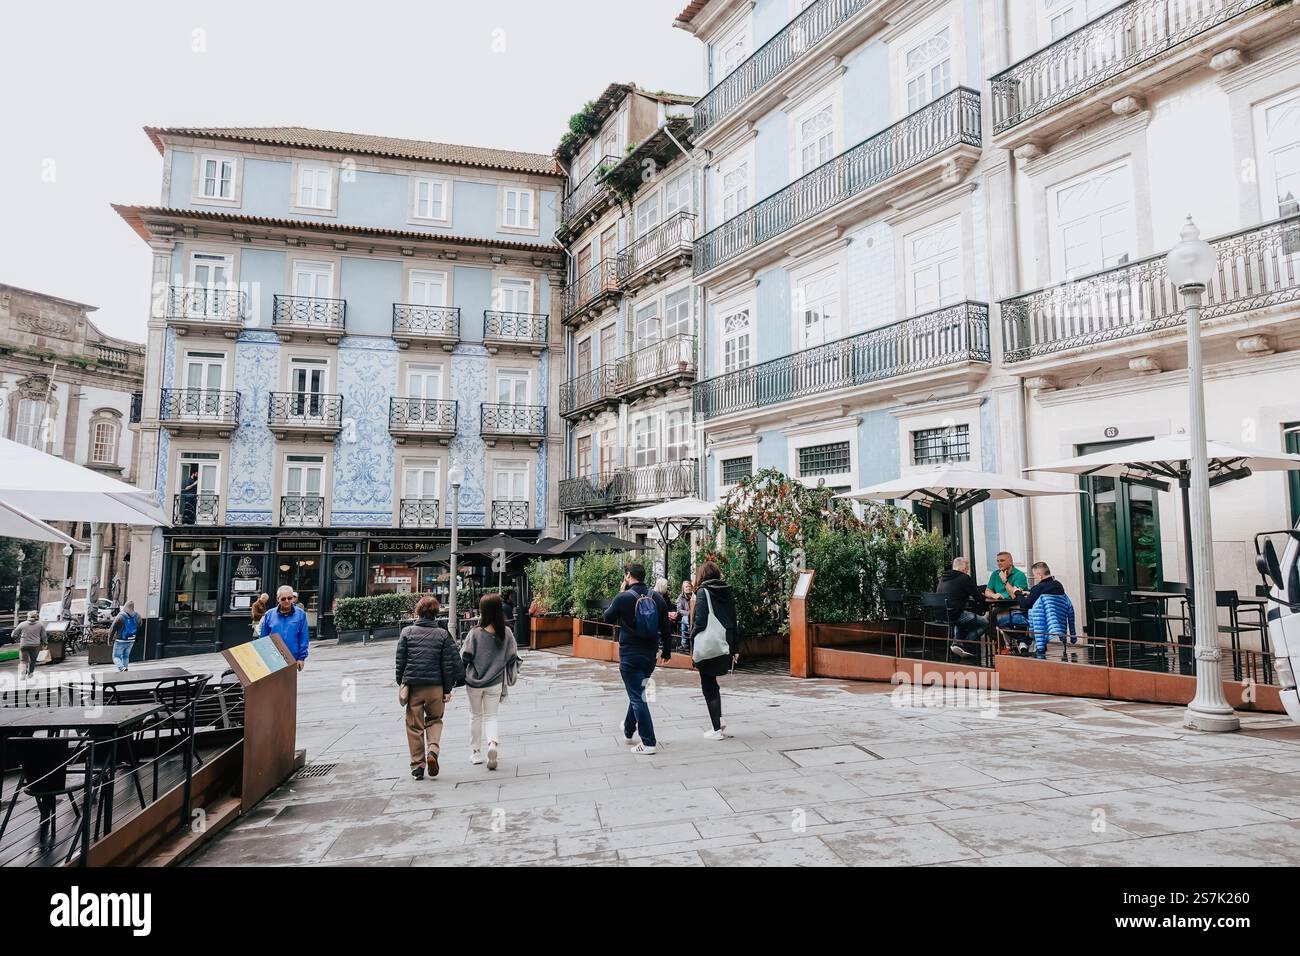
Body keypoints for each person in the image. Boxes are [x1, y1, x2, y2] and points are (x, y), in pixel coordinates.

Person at [603, 562, 671, 755]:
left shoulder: (623, 598)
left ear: (628, 576)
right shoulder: (657, 597)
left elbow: (607, 617)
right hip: (650, 655)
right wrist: (666, 651)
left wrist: (618, 594)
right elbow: (666, 627)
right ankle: (627, 728)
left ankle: (648, 742)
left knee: (638, 697)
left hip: (630, 655)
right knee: (639, 692)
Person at [395, 596, 461, 781]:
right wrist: (448, 690)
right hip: (436, 687)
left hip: (414, 686)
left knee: (414, 726)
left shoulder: (407, 632)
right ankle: (432, 749)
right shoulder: (442, 634)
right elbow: (447, 664)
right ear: (436, 613)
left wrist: (401, 681)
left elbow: (400, 661)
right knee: (435, 719)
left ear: (418, 611)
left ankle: (418, 766)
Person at [461, 593, 520, 771]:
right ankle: (492, 744)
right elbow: (513, 657)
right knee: (491, 716)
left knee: (475, 716)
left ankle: (476, 753)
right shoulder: (507, 633)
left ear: (482, 611)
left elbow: (464, 656)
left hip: (473, 683)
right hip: (495, 682)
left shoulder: (475, 633)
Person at [689, 562, 741, 740]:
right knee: (713, 683)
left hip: (708, 643)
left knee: (708, 685)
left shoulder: (703, 592)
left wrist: (691, 638)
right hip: (724, 642)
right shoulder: (727, 591)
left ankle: (716, 729)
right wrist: (735, 648)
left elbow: (700, 622)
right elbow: (733, 621)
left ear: (702, 575)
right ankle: (718, 719)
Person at [1013, 561, 1077, 659]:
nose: (1035, 578)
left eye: (1035, 576)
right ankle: (1028, 642)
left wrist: (1017, 593)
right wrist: (1029, 593)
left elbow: (1025, 605)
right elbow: (1043, 596)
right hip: (1056, 619)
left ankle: (1027, 641)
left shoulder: (1038, 587)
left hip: (1039, 621)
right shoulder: (1058, 585)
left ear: (1039, 576)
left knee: (1003, 621)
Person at [936, 556, 988, 658]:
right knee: (985, 623)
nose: (967, 571)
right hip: (954, 615)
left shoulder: (943, 578)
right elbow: (978, 597)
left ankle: (957, 643)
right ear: (963, 568)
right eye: (967, 569)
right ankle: (965, 644)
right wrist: (986, 595)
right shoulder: (964, 578)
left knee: (963, 619)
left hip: (939, 615)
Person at [984, 551, 1030, 643]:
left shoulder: (1019, 575)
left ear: (1010, 562)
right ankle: (999, 644)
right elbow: (987, 591)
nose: (999, 563)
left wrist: (1004, 580)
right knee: (985, 620)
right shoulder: (995, 574)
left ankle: (1016, 643)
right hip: (1000, 606)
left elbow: (1014, 595)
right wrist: (994, 595)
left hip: (1015, 606)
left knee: (1000, 617)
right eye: (997, 561)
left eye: (1002, 560)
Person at [260, 585, 309, 670]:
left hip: (292, 657)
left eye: (289, 598)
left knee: (290, 683)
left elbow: (303, 637)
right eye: (283, 599)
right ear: (278, 599)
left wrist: (301, 658)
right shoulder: (269, 614)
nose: (287, 601)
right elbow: (263, 638)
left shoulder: (300, 614)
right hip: (273, 658)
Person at [107, 600, 140, 672]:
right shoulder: (137, 616)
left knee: (116, 656)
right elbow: (139, 625)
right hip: (131, 639)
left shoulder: (121, 616)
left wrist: (109, 640)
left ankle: (122, 668)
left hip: (120, 640)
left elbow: (112, 628)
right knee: (126, 656)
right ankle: (125, 669)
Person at [13, 610, 46, 679]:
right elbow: (44, 636)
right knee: (33, 660)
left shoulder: (22, 624)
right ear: (36, 616)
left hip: (24, 645)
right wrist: (45, 643)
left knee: (23, 660)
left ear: (28, 616)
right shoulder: (40, 625)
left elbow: (13, 635)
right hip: (35, 645)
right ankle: (30, 674)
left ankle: (22, 675)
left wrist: (17, 636)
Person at [675, 580, 693, 651]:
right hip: (686, 618)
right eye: (686, 587)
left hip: (695, 616)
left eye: (689, 586)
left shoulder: (695, 596)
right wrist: (689, 614)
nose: (688, 588)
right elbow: (679, 610)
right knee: (685, 618)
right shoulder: (681, 598)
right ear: (683, 588)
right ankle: (684, 644)